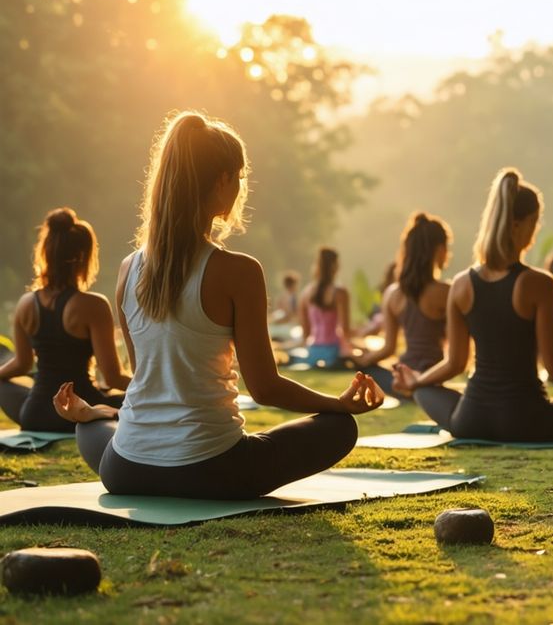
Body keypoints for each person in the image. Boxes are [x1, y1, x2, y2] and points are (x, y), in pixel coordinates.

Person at [53, 111, 382, 499]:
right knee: (340, 427)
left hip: (126, 469)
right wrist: (338, 403)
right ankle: (109, 424)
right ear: (223, 180)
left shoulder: (128, 268)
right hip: (212, 471)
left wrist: (96, 413)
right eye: (240, 177)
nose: (242, 188)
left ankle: (99, 421)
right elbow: (265, 388)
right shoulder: (238, 271)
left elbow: (147, 380)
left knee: (90, 427)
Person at [392, 168, 553, 442]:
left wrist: (417, 382)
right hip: (528, 422)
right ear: (519, 225)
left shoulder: (461, 285)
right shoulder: (540, 283)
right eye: (535, 221)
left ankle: (422, 388)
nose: (537, 228)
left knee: (425, 391)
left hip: (471, 420)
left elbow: (455, 363)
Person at [0, 208, 129, 432]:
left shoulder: (25, 304)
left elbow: (22, 364)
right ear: (84, 257)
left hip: (35, 414)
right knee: (134, 399)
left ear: (46, 253)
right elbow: (113, 376)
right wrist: (152, 387)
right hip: (80, 411)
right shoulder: (93, 305)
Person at [355, 212, 452, 395]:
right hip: (431, 378)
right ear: (439, 250)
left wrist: (362, 360)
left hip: (401, 376)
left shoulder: (393, 294)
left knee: (369, 370)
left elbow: (388, 348)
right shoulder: (446, 292)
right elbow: (456, 357)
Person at [295, 247, 353, 368]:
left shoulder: (306, 293)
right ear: (335, 266)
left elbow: (306, 332)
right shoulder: (340, 292)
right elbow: (345, 330)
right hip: (333, 351)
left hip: (313, 351)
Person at [268, 271, 301, 343]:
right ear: (293, 284)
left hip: (280, 327)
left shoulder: (281, 297)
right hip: (287, 329)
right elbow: (289, 315)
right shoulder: (290, 298)